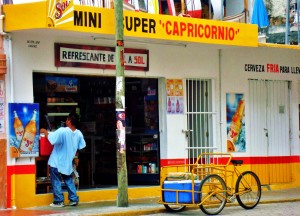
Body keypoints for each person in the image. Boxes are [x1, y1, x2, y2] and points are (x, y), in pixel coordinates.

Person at [40, 112, 86, 207]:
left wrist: (45, 131)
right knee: (68, 179)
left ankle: (58, 201)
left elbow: (51, 139)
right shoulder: (79, 133)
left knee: (56, 180)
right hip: (68, 161)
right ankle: (73, 199)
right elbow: (82, 148)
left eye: (67, 119)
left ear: (69, 121)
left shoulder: (62, 131)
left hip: (57, 161)